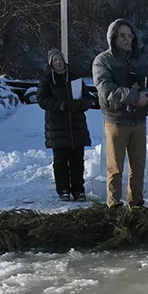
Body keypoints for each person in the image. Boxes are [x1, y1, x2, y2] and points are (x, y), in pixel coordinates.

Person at [92, 18, 148, 208]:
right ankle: (114, 204)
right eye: (122, 35)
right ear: (113, 37)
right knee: (115, 168)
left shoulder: (141, 61)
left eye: (129, 36)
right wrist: (134, 96)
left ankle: (136, 203)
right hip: (116, 121)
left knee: (138, 167)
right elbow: (105, 88)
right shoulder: (103, 60)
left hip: (138, 120)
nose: (126, 39)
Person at [37, 48, 92, 202]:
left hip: (77, 127)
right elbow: (42, 100)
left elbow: (89, 99)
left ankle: (78, 190)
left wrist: (82, 104)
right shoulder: (46, 80)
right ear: (51, 64)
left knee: (77, 162)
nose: (58, 62)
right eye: (55, 60)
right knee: (60, 162)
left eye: (60, 59)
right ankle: (63, 190)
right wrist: (62, 105)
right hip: (57, 128)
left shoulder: (75, 79)